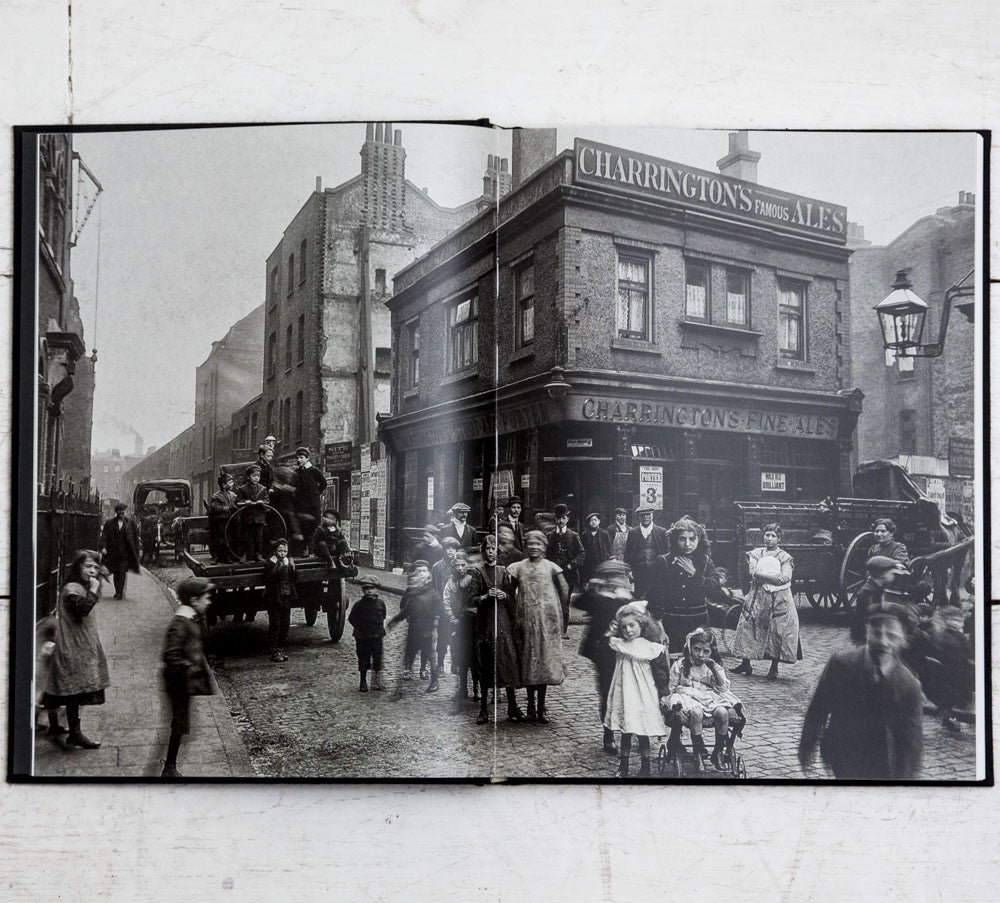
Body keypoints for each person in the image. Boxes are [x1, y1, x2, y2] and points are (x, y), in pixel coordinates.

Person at [799, 602, 923, 780]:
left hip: (882, 762)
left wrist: (905, 778)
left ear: (904, 639)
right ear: (867, 630)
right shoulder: (841, 664)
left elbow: (912, 741)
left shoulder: (908, 685)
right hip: (842, 754)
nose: (883, 641)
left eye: (892, 636)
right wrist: (807, 743)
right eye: (876, 633)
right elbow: (819, 706)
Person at [41, 550, 111, 749]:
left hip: (79, 645)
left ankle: (61, 728)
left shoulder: (80, 586)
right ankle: (74, 733)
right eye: (87, 566)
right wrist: (95, 588)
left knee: (70, 690)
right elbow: (82, 609)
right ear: (78, 566)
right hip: (71, 647)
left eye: (95, 568)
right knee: (71, 691)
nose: (92, 571)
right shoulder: (72, 588)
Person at [507, 530, 569, 723]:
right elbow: (509, 590)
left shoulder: (551, 567)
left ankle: (541, 706)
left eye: (538, 544)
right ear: (526, 546)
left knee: (544, 663)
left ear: (544, 547)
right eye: (531, 544)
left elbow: (564, 589)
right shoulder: (518, 567)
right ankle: (530, 706)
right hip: (525, 621)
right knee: (528, 662)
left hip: (547, 623)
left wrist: (556, 609)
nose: (534, 547)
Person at [603, 601, 670, 777]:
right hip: (625, 693)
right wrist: (611, 632)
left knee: (643, 731)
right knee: (627, 730)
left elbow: (661, 673)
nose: (628, 630)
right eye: (624, 627)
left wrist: (664, 693)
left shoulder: (651, 648)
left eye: (632, 625)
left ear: (642, 624)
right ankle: (623, 765)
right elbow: (602, 648)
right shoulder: (619, 644)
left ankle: (645, 766)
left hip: (644, 693)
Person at [577, 559, 636, 754]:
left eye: (620, 576)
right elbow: (579, 602)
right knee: (608, 692)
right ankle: (608, 733)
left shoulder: (629, 599)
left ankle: (629, 730)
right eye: (612, 576)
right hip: (604, 653)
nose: (617, 581)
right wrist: (594, 587)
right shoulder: (598, 598)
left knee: (629, 692)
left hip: (627, 653)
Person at [664, 627, 742, 770]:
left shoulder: (713, 666)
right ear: (690, 648)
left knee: (723, 713)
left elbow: (723, 688)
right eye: (697, 649)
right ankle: (697, 752)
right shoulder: (681, 665)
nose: (701, 654)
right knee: (696, 713)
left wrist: (713, 669)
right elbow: (672, 686)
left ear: (712, 652)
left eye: (706, 651)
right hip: (688, 697)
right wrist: (673, 702)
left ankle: (717, 752)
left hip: (709, 697)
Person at [731, 523, 802, 680]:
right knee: (748, 625)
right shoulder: (757, 553)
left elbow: (786, 577)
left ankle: (774, 667)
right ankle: (745, 662)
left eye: (773, 536)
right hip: (757, 595)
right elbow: (753, 571)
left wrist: (763, 576)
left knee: (777, 629)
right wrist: (772, 577)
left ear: (779, 538)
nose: (769, 539)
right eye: (767, 535)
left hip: (779, 597)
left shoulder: (784, 557)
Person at [160, 576, 214, 778]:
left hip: (181, 681)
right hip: (177, 682)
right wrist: (189, 668)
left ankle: (170, 765)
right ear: (193, 600)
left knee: (180, 723)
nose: (208, 602)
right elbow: (170, 655)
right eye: (206, 598)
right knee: (179, 723)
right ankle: (169, 768)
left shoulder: (190, 617)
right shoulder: (180, 623)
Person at [648, 517, 722, 655]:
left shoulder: (705, 561)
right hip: (671, 624)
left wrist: (694, 574)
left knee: (698, 666)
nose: (687, 544)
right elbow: (654, 598)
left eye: (692, 539)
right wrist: (660, 629)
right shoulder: (664, 561)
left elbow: (716, 591)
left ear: (699, 540)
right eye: (682, 539)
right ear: (676, 540)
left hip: (698, 624)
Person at [470, 535, 524, 724]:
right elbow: (472, 598)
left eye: (493, 548)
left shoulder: (503, 572)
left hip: (503, 626)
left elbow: (512, 598)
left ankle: (512, 706)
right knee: (486, 666)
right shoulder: (478, 572)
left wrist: (504, 595)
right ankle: (484, 709)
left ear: (497, 551)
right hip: (486, 625)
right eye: (487, 548)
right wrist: (485, 597)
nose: (490, 551)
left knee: (507, 664)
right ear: (483, 551)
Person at [904, 602, 973, 734]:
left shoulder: (960, 636)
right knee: (947, 699)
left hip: (959, 672)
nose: (958, 623)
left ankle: (950, 718)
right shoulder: (939, 636)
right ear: (946, 620)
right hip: (946, 673)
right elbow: (933, 655)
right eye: (954, 620)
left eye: (959, 620)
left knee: (954, 699)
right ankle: (949, 719)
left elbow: (965, 653)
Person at [387, 560, 441, 692]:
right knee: (410, 649)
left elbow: (438, 609)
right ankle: (407, 668)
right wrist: (394, 621)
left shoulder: (432, 593)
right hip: (414, 628)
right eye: (418, 573)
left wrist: (436, 622)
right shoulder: (412, 593)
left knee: (430, 655)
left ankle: (434, 681)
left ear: (429, 577)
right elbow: (405, 609)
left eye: (424, 572)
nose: (421, 575)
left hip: (429, 630)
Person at [444, 550, 479, 712]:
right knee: (459, 658)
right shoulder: (450, 582)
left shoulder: (473, 580)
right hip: (457, 625)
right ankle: (462, 688)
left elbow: (475, 602)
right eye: (457, 565)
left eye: (463, 565)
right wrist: (453, 619)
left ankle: (478, 689)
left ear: (468, 565)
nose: (460, 568)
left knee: (475, 658)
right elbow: (446, 602)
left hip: (472, 624)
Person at [849, 555, 910, 645]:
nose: (894, 576)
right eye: (892, 573)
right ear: (883, 575)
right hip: (869, 639)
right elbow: (860, 620)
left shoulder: (876, 588)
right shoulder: (867, 592)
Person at [545, 502, 585, 633]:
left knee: (565, 603)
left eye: (563, 518)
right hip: (552, 575)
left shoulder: (573, 535)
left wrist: (571, 565)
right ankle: (553, 629)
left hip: (568, 575)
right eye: (558, 518)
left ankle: (563, 630)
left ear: (567, 518)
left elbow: (581, 553)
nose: (560, 521)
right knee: (552, 602)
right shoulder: (550, 535)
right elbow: (546, 554)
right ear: (555, 519)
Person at [348, 575, 387, 692]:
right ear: (363, 590)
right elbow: (352, 619)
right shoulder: (359, 605)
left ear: (377, 589)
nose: (369, 591)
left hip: (377, 636)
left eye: (372, 588)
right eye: (366, 589)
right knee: (363, 658)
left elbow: (383, 616)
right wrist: (361, 628)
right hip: (362, 637)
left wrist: (377, 628)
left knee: (377, 658)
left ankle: (376, 681)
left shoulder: (380, 603)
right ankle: (363, 681)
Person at [623, 505, 670, 600]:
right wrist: (628, 571)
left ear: (652, 515)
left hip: (656, 572)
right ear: (639, 517)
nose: (645, 517)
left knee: (657, 597)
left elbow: (667, 552)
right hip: (638, 573)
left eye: (648, 514)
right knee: (639, 598)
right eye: (642, 515)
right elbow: (627, 552)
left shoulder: (661, 531)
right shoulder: (633, 532)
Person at [262, 539, 297, 662]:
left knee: (285, 624)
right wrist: (278, 567)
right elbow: (268, 578)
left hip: (286, 596)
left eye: (285, 551)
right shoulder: (270, 563)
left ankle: (281, 648)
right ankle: (274, 651)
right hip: (274, 597)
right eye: (280, 551)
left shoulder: (287, 562)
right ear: (275, 551)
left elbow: (294, 578)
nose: (282, 553)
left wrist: (292, 567)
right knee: (275, 624)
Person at [430, 537, 460, 677]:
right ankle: (440, 664)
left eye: (453, 548)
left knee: (456, 637)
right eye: (448, 548)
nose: (450, 551)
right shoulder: (437, 567)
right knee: (442, 637)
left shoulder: (459, 566)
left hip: (456, 608)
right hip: (442, 608)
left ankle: (455, 664)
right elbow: (435, 588)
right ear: (444, 549)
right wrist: (438, 607)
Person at [99, 503, 141, 599]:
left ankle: (119, 593)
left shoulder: (130, 523)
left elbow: (135, 538)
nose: (121, 512)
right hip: (112, 553)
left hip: (125, 554)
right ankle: (117, 590)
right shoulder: (109, 523)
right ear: (116, 512)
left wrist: (138, 550)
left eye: (123, 510)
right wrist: (103, 548)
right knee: (116, 572)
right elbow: (104, 537)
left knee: (122, 572)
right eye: (119, 510)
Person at [236, 464, 269, 561]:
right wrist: (245, 502)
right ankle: (245, 555)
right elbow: (237, 502)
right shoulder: (242, 489)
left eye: (258, 476)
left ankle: (258, 555)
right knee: (246, 537)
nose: (256, 478)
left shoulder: (262, 489)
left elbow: (267, 501)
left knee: (259, 537)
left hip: (259, 517)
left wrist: (262, 502)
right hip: (247, 517)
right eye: (254, 476)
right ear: (248, 477)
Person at [294, 446, 328, 541]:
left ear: (307, 458)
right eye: (297, 458)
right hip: (301, 504)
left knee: (314, 525)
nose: (299, 460)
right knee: (303, 525)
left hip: (313, 504)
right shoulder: (297, 472)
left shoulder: (314, 470)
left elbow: (323, 483)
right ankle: (304, 548)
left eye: (301, 457)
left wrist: (315, 493)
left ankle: (313, 547)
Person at [208, 472, 238, 564]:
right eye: (230, 483)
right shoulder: (216, 496)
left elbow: (236, 505)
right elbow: (214, 507)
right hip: (220, 522)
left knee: (229, 539)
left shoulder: (233, 495)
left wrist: (235, 508)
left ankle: (228, 556)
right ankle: (216, 557)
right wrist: (224, 508)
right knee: (219, 540)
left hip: (230, 521)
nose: (232, 484)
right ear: (224, 485)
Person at [580, 512, 612, 584]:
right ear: (589, 523)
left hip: (601, 562)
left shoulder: (604, 534)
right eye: (591, 520)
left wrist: (607, 559)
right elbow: (582, 549)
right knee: (589, 581)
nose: (593, 522)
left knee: (601, 581)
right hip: (588, 563)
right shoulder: (584, 534)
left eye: (595, 520)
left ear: (599, 521)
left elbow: (609, 548)